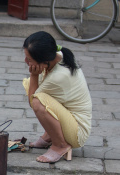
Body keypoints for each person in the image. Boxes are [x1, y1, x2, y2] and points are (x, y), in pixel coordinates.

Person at [22, 31, 92, 163]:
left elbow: (33, 101)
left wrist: (34, 75)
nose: (26, 61)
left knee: (37, 102)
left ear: (45, 60)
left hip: (77, 132)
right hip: (68, 118)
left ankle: (60, 145)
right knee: (30, 86)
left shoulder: (59, 77)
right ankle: (49, 135)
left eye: (29, 59)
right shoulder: (58, 55)